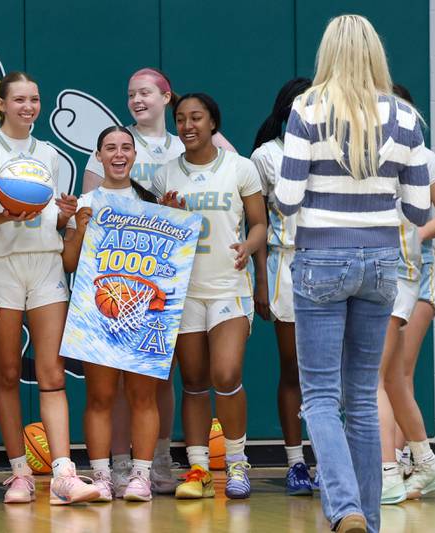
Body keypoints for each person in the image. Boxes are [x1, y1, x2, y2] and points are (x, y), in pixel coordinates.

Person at [275, 15, 430, 533]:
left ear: (327, 53)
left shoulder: (307, 108)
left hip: (320, 258)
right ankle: (368, 517)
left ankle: (344, 511)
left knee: (320, 396)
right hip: (383, 260)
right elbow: (418, 209)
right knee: (363, 397)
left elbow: (289, 197)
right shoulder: (406, 116)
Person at [81, 67, 238, 496]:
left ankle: (160, 458)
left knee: (159, 377)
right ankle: (116, 463)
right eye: (131, 93)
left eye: (146, 92)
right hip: (115, 279)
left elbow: (231, 170)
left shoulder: (186, 143)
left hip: (164, 280)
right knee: (115, 380)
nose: (137, 99)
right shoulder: (116, 143)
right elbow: (90, 213)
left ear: (167, 98)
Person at [0, 71, 99, 505]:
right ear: (1, 104)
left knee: (50, 374)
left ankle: (64, 471)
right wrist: (6, 215)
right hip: (2, 266)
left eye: (34, 99)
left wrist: (66, 216)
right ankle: (19, 472)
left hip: (47, 263)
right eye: (19, 99)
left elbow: (51, 219)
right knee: (8, 373)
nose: (28, 106)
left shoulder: (49, 153)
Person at [152, 93, 267, 500]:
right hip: (184, 293)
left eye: (195, 117)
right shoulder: (166, 175)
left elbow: (259, 224)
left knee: (226, 373)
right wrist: (167, 213)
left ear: (213, 122)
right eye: (180, 119)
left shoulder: (240, 168)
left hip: (228, 288)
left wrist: (249, 248)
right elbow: (159, 238)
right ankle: (199, 468)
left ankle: (236, 463)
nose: (187, 125)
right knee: (195, 383)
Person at [64, 125, 162, 502]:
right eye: (110, 148)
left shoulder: (151, 202)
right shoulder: (85, 201)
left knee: (143, 397)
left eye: (126, 147)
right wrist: (78, 232)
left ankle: (141, 476)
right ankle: (102, 477)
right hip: (97, 311)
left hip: (143, 311)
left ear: (135, 155)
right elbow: (70, 264)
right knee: (100, 397)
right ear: (99, 156)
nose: (119, 154)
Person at [378, 83, 435, 504]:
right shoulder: (366, 158)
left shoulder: (424, 157)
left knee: (394, 375)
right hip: (380, 270)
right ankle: (420, 461)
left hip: (415, 270)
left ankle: (394, 467)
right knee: (389, 377)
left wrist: (414, 235)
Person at [250, 77, 315, 495]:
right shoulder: (265, 156)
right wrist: (259, 278)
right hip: (286, 263)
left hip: (330, 260)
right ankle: (296, 462)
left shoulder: (333, 149)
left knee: (331, 374)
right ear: (285, 107)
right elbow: (255, 221)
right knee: (292, 368)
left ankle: (331, 461)